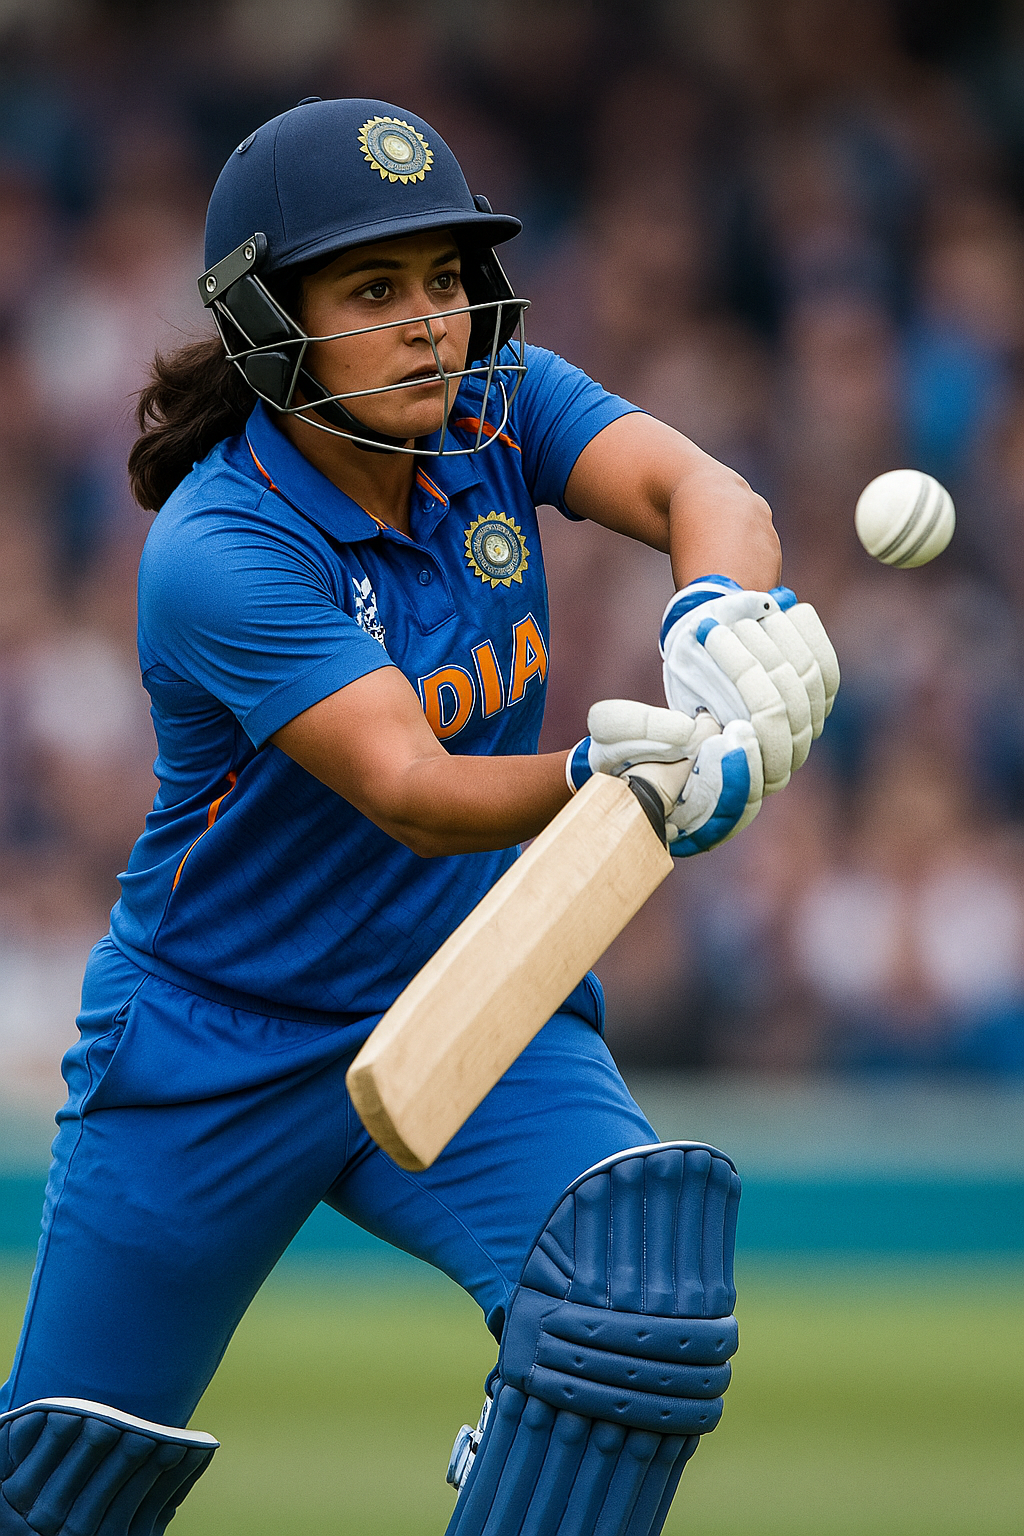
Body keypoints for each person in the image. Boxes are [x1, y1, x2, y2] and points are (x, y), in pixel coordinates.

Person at [0, 99, 837, 1536]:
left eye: (445, 279)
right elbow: (414, 789)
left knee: (639, 1289)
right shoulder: (218, 548)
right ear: (272, 323)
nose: (430, 324)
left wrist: (717, 612)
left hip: (472, 990)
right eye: (374, 291)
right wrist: (610, 775)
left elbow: (707, 490)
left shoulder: (503, 401)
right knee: (63, 1489)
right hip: (213, 1038)